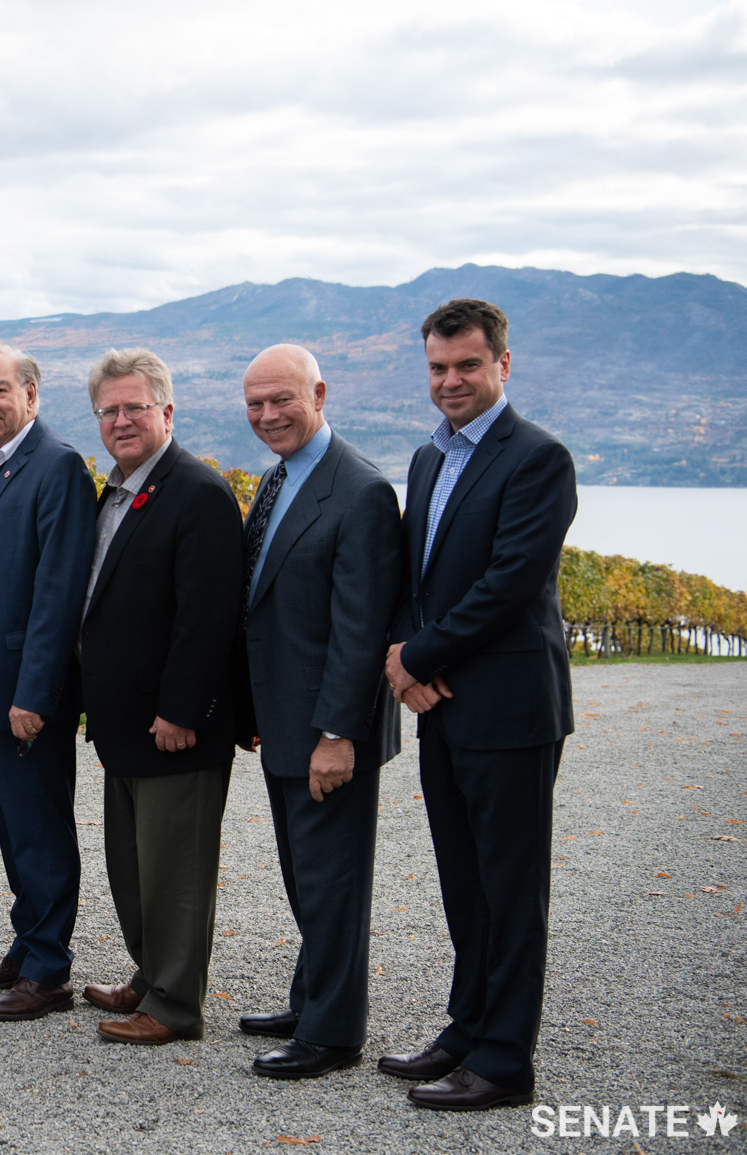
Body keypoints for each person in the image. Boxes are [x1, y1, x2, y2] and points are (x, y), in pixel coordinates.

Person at [382, 299, 577, 1110]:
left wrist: (413, 656)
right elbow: (414, 574)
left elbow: (508, 584)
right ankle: (466, 1025)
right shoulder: (429, 459)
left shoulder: (538, 458)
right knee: (463, 882)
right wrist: (404, 663)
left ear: (503, 364)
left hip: (508, 706)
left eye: (466, 365)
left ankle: (503, 1061)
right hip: (442, 704)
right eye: (437, 367)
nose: (450, 380)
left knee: (509, 886)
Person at [234, 344, 402, 1077]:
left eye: (282, 400)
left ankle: (332, 1033)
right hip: (283, 720)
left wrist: (338, 733)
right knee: (306, 877)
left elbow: (360, 627)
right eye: (255, 404)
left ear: (320, 393)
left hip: (326, 730)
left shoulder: (358, 489)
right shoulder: (279, 480)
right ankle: (310, 996)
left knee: (332, 881)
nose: (267, 415)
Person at [76, 349, 245, 1046]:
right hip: (123, 725)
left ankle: (176, 1004)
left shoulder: (196, 492)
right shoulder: (114, 490)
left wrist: (181, 708)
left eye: (134, 407)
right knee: (133, 864)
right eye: (108, 410)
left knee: (173, 868)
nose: (120, 420)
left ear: (166, 412)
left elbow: (207, 616)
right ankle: (151, 972)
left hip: (172, 726)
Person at [0, 343, 97, 1022]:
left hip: (23, 695)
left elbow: (57, 590)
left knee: (38, 828)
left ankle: (48, 970)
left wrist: (33, 691)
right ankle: (27, 941)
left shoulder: (55, 465)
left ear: (31, 393)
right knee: (14, 824)